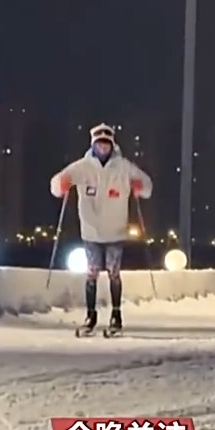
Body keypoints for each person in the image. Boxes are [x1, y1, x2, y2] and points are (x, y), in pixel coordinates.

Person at [50, 124, 153, 335]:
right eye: (99, 145)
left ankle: (116, 315)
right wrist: (62, 184)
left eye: (106, 145)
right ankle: (91, 315)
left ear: (112, 145)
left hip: (116, 231)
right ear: (93, 145)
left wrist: (140, 187)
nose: (103, 148)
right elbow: (57, 183)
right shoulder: (82, 167)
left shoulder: (124, 167)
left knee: (114, 273)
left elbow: (147, 185)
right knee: (92, 273)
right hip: (91, 231)